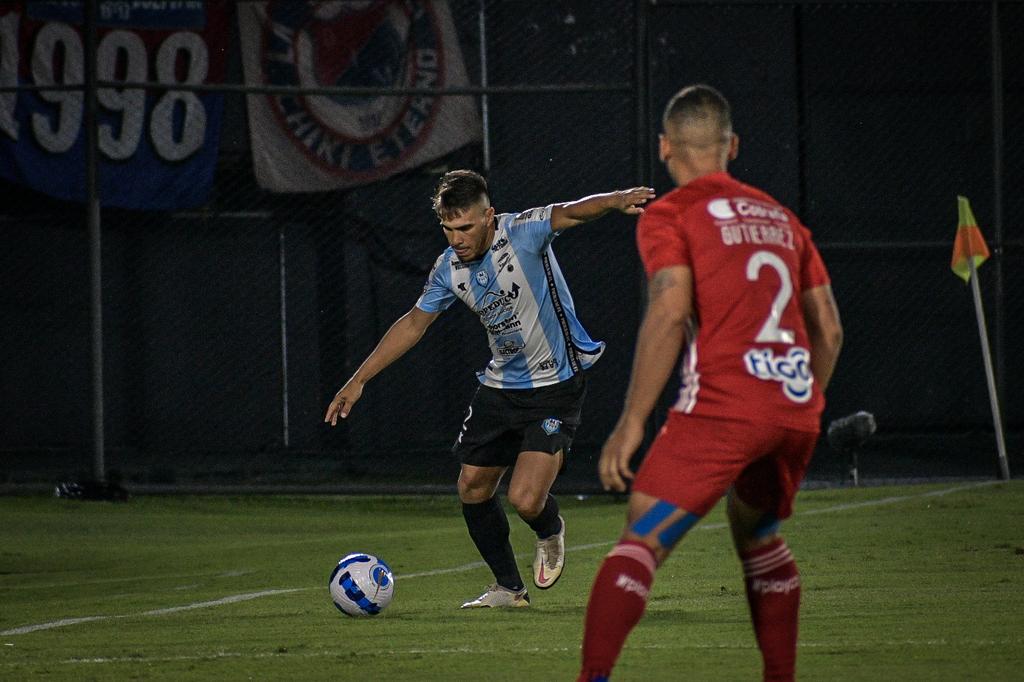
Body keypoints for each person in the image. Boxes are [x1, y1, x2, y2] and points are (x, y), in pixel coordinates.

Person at [577, 85, 843, 680]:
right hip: (794, 405)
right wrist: (804, 402)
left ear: (666, 148)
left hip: (726, 405)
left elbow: (670, 311)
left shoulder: (672, 214)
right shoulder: (783, 219)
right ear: (733, 146)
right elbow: (827, 328)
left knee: (643, 531)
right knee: (758, 533)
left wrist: (631, 422)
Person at [325, 170, 655, 609]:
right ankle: (508, 589)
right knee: (473, 487)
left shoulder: (522, 232)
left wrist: (614, 199)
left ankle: (549, 529)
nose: (456, 238)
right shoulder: (448, 269)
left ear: (489, 216)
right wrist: (358, 379)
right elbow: (413, 324)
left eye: (465, 227)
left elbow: (571, 212)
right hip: (500, 388)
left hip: (555, 386)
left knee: (524, 498)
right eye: (448, 228)